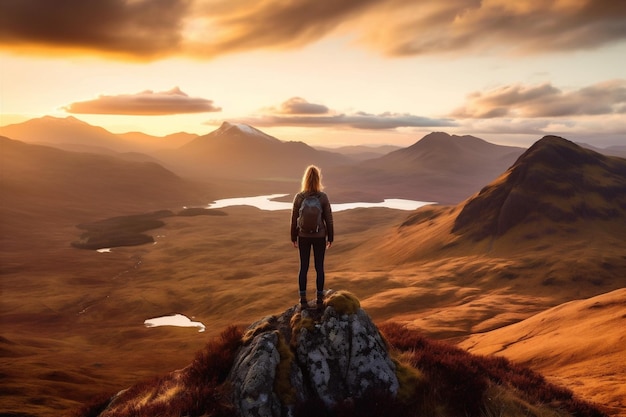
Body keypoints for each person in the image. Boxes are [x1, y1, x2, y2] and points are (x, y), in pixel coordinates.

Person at [291, 165, 334, 309]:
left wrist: (293, 236)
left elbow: (294, 218)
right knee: (319, 267)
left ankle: (302, 300)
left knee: (303, 267)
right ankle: (320, 299)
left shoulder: (299, 197)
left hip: (303, 236)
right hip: (319, 236)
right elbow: (328, 218)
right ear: (318, 179)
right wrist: (330, 237)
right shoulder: (323, 197)